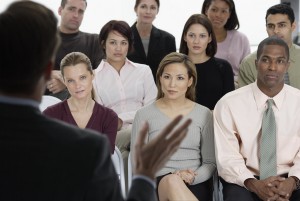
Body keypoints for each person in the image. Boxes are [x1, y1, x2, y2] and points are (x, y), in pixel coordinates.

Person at [0, 1, 192, 201]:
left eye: (123, 42)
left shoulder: (91, 143)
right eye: (112, 42)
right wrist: (144, 177)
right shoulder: (90, 149)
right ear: (50, 71)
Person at [214, 36, 300, 201]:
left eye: (280, 61)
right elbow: (227, 158)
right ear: (256, 63)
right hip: (246, 179)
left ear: (287, 66)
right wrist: (254, 184)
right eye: (266, 60)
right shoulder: (228, 104)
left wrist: (292, 181)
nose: (273, 67)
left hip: (291, 177)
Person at [131, 52, 216, 201]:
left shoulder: (204, 114)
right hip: (157, 183)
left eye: (180, 78)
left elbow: (210, 163)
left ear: (190, 81)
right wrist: (174, 177)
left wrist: (191, 177)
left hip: (195, 181)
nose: (172, 84)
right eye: (167, 77)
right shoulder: (143, 115)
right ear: (160, 78)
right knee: (172, 181)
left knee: (175, 182)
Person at [93, 19, 157, 188]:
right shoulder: (93, 77)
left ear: (129, 45)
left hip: (145, 128)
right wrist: (116, 122)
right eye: (113, 42)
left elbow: (153, 107)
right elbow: (99, 114)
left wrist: (121, 118)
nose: (118, 48)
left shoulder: (143, 71)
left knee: (127, 157)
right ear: (103, 43)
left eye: (123, 43)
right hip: (114, 133)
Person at [43, 52, 118, 153]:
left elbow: (105, 158)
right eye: (70, 80)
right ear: (64, 82)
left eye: (82, 78)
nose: (77, 86)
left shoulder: (109, 117)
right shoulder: (50, 115)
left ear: (92, 75)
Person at [46, 0, 104, 100]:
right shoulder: (41, 38)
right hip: (46, 103)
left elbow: (103, 72)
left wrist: (67, 81)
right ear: (60, 10)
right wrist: (48, 73)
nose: (76, 15)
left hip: (84, 103)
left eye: (81, 11)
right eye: (71, 9)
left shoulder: (94, 41)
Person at [179, 14, 234, 110]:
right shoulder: (175, 67)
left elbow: (229, 106)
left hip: (215, 122)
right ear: (185, 37)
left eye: (202, 36)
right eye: (192, 35)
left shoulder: (223, 67)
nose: (196, 41)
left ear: (210, 38)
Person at [238, 3, 300, 89]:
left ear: (293, 26)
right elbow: (244, 99)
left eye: (281, 25)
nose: (276, 31)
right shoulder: (249, 63)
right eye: (271, 26)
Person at [201, 0, 250, 86]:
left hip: (236, 89)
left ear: (230, 14)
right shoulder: (197, 37)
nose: (218, 15)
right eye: (214, 10)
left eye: (223, 11)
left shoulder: (241, 39)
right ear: (206, 10)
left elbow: (247, 73)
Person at [127, 0, 176, 81]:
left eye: (153, 8)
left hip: (159, 90)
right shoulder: (124, 38)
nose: (148, 11)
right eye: (143, 6)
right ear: (135, 9)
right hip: (129, 90)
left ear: (157, 11)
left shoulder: (168, 40)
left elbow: (171, 71)